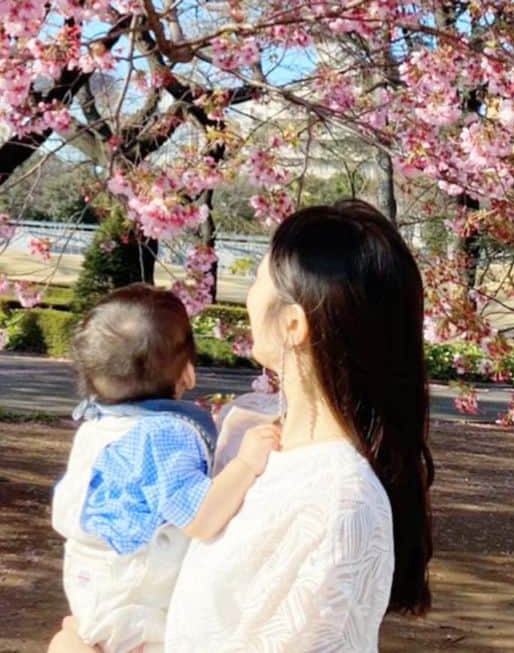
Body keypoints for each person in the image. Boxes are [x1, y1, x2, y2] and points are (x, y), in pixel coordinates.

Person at [49, 200, 433, 652]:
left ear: (292, 325)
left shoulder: (338, 501)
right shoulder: (245, 425)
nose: (248, 296)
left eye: (256, 278)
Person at [51, 284, 280, 653]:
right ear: (187, 373)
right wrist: (245, 464)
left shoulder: (96, 428)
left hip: (94, 598)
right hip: (141, 617)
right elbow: (200, 517)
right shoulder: (165, 435)